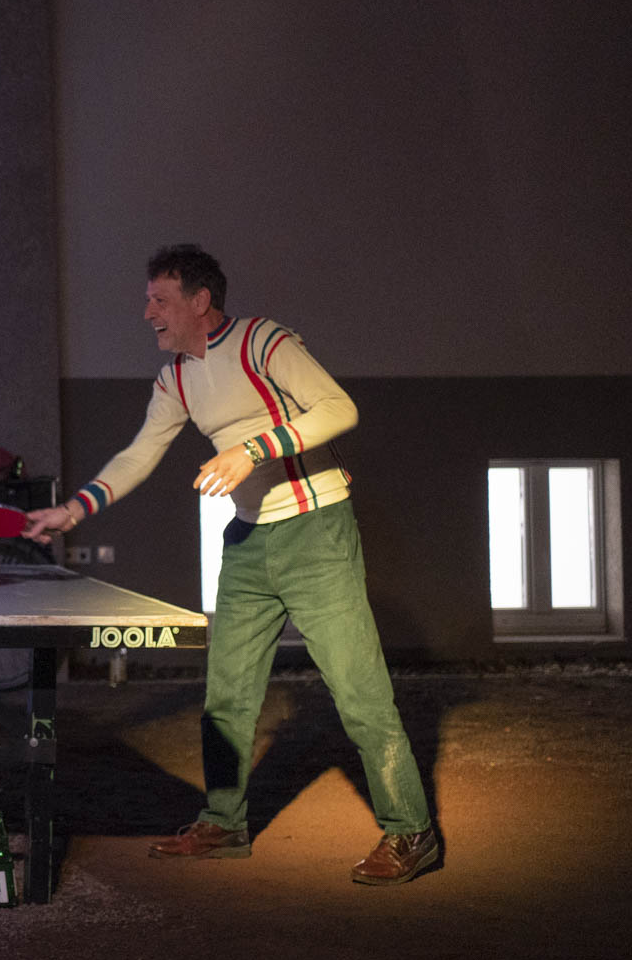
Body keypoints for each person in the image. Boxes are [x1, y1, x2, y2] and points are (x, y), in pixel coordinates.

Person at [24, 245, 437, 886]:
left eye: (160, 300)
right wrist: (74, 509)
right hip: (247, 541)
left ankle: (411, 831)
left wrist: (253, 449)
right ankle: (224, 822)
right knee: (227, 695)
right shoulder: (176, 378)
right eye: (148, 300)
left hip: (316, 530)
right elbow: (140, 454)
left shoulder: (261, 342)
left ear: (199, 301)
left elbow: (339, 408)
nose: (147, 313)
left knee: (359, 692)